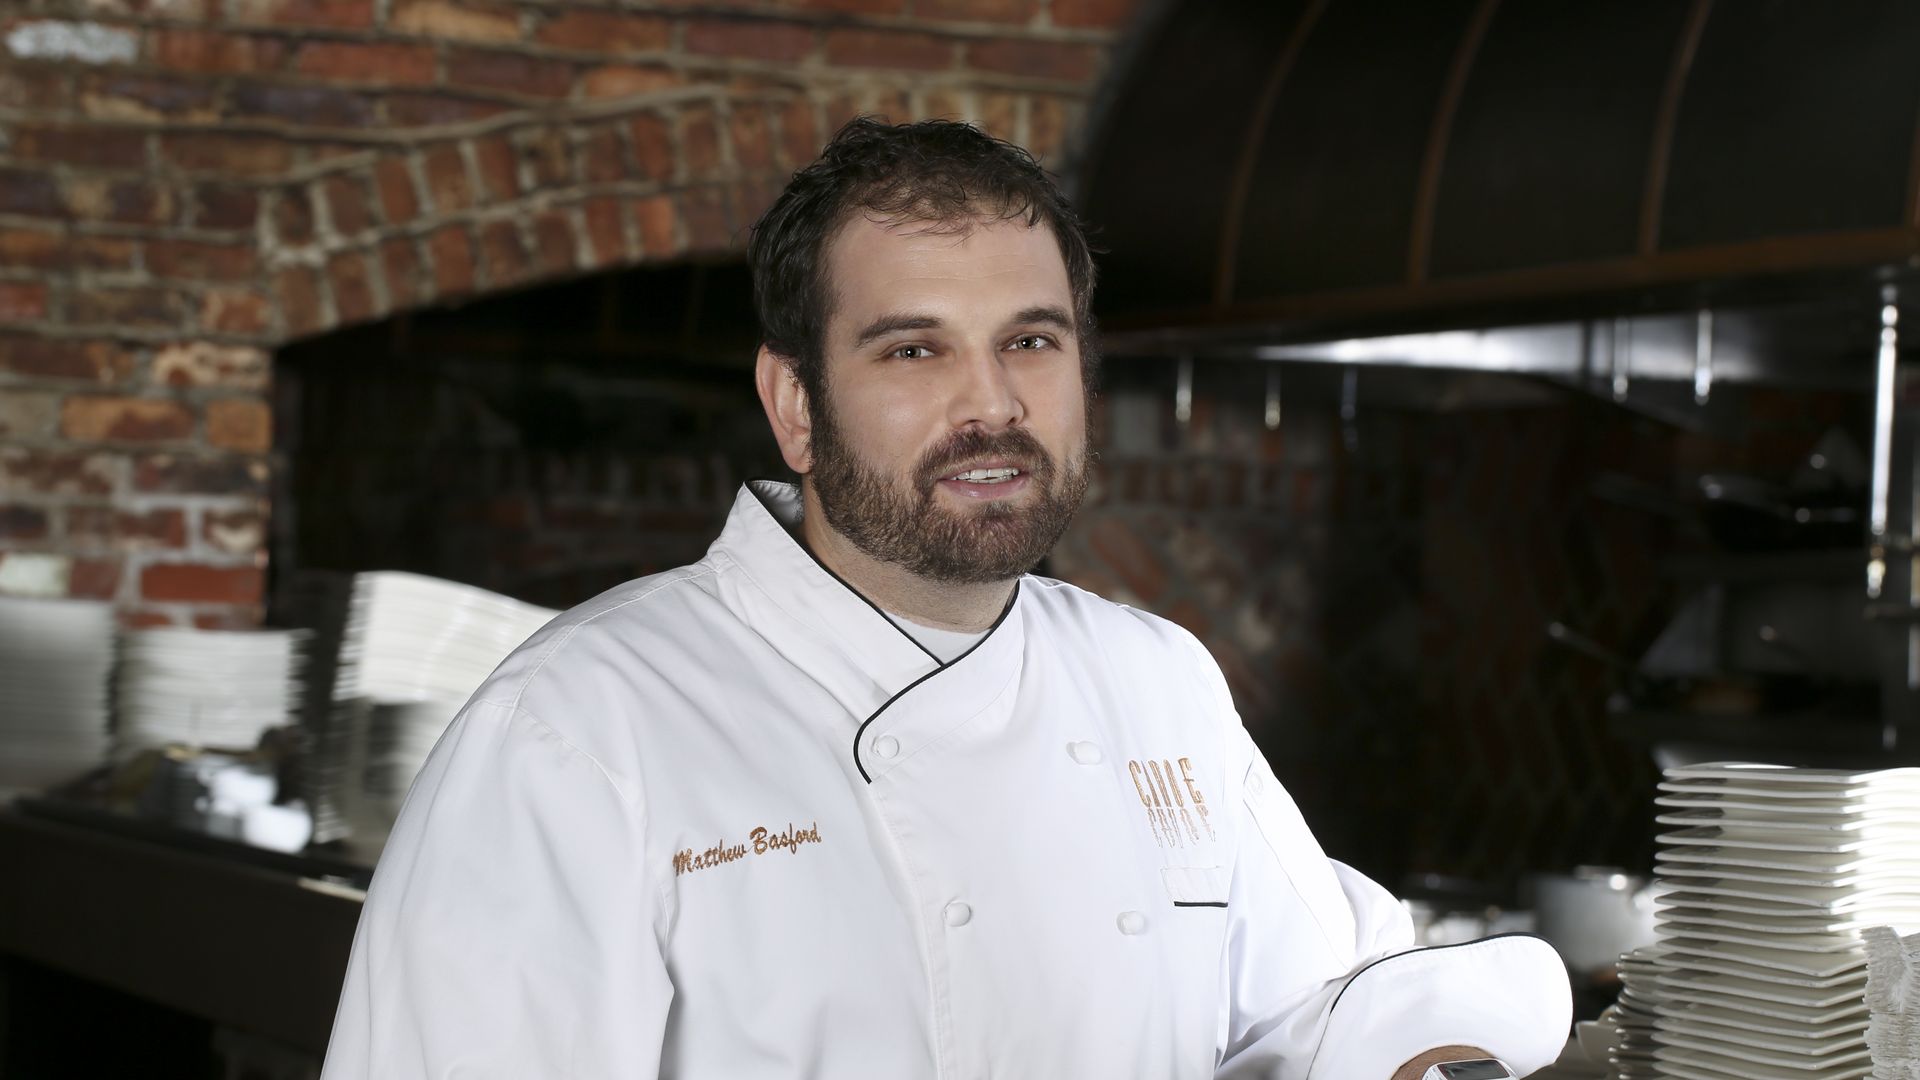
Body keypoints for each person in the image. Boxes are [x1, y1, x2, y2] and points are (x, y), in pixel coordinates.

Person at [320, 118, 1571, 1079]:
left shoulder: (1153, 678)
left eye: (1029, 340)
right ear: (795, 404)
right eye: (914, 350)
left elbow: (1324, 1002)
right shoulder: (578, 730)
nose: (993, 405)